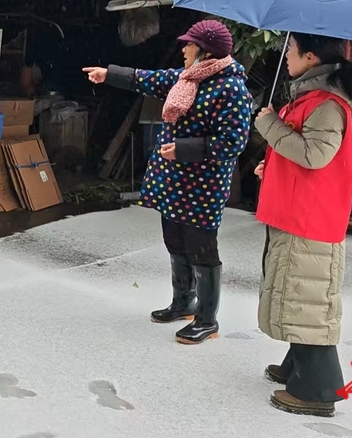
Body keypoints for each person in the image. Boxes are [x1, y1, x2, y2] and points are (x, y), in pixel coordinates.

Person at [84, 20, 253, 345]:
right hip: (174, 181)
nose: (184, 48)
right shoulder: (186, 77)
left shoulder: (231, 89)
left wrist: (185, 149)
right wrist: (108, 74)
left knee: (201, 249)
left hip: (203, 186)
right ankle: (183, 302)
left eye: (189, 44)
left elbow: (233, 142)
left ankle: (207, 319)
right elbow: (147, 79)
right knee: (174, 240)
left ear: (206, 52)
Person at [253, 32, 352, 418]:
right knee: (296, 294)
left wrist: (270, 125)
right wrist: (272, 165)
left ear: (310, 57)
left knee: (308, 301)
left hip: (310, 219)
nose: (286, 56)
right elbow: (300, 153)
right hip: (297, 212)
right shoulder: (309, 99)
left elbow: (315, 155)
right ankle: (297, 366)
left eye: (290, 50)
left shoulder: (325, 104)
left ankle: (318, 389)